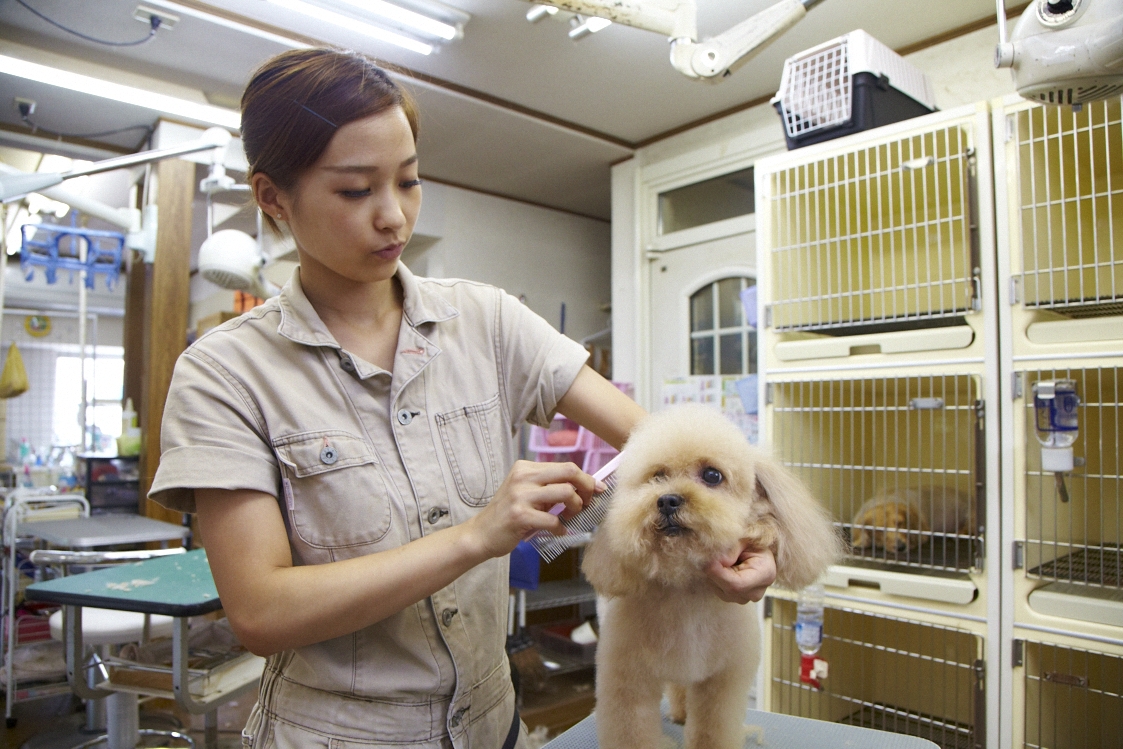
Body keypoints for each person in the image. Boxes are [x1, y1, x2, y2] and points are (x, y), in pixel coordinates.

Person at [150, 48, 777, 749]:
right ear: (272, 197)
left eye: (409, 181)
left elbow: (663, 444)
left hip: (489, 725)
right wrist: (477, 535)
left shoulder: (488, 320)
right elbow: (261, 611)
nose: (394, 217)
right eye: (356, 191)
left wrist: (748, 536)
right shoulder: (224, 374)